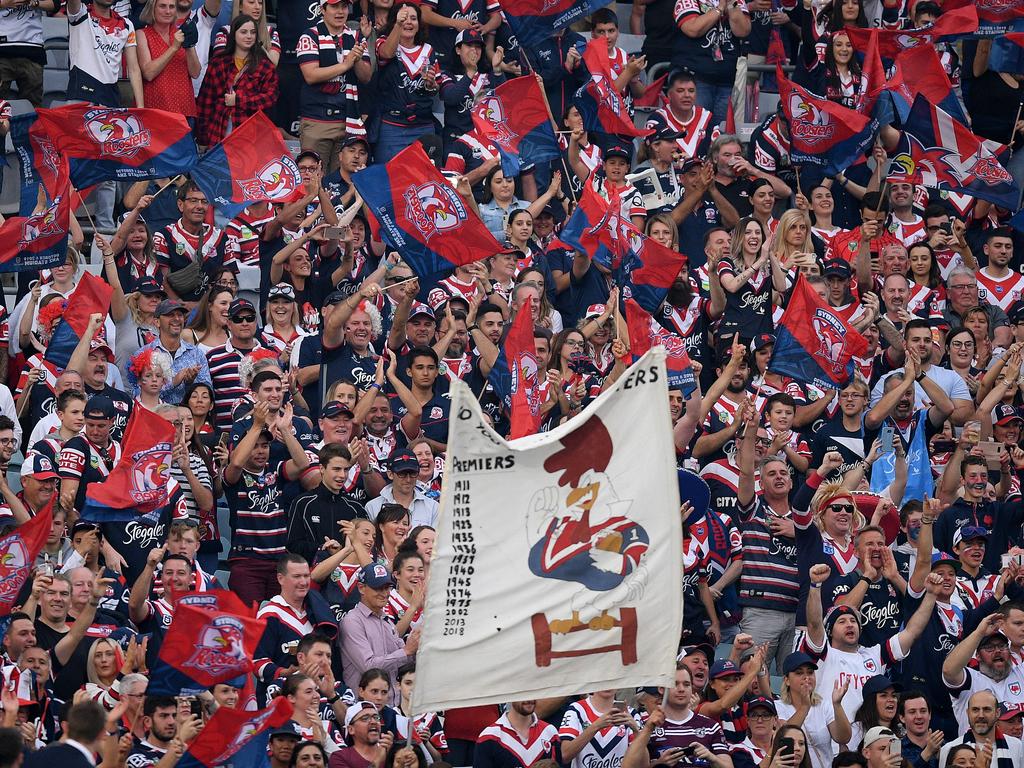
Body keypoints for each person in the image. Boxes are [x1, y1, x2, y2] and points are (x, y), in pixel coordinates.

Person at [195, 13, 279, 146]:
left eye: (252, 32)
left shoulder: (265, 65)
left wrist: (239, 100)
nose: (249, 36)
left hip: (252, 136)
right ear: (233, 34)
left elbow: (270, 98)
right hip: (218, 133)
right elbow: (205, 102)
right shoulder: (218, 62)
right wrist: (202, 139)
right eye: (243, 32)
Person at [340, 563, 418, 698]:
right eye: (378, 588)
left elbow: (406, 659)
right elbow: (369, 667)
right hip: (364, 708)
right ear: (361, 588)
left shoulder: (386, 620)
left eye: (387, 587)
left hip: (392, 705)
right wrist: (406, 651)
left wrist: (418, 646)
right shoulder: (352, 621)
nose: (385, 593)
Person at [474, 701, 560, 768]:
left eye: (532, 692)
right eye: (523, 693)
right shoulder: (490, 737)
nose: (529, 699)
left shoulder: (550, 733)